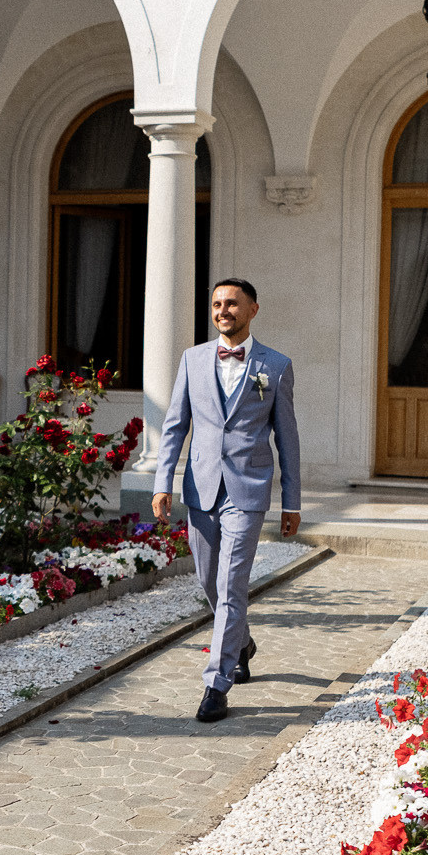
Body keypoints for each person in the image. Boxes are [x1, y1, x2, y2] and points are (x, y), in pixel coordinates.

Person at [150, 278, 302, 723]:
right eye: (217, 304)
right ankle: (241, 641)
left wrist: (291, 501)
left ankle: (216, 685)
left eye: (232, 303)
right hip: (201, 488)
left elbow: (287, 439)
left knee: (232, 584)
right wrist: (163, 482)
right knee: (208, 580)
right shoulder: (193, 359)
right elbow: (176, 424)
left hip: (248, 492)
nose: (223, 310)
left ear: (253, 309)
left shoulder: (275, 365)